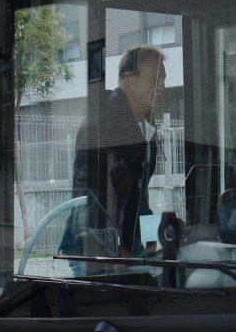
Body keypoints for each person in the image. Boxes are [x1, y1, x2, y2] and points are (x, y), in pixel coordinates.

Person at [70, 45, 166, 257]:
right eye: (155, 79)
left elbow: (139, 193)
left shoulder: (147, 124)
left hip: (126, 243)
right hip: (99, 246)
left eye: (163, 79)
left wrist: (150, 237)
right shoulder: (105, 123)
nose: (162, 87)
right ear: (130, 79)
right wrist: (119, 248)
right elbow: (98, 195)